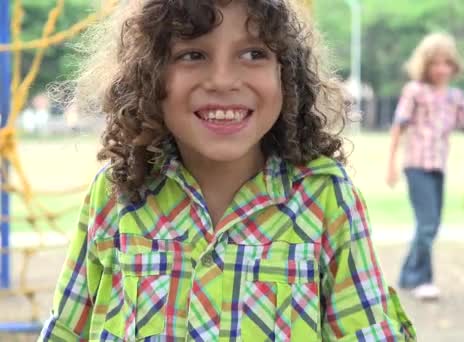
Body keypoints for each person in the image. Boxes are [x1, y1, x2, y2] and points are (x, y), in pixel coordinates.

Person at [39, 0, 416, 340]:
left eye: (253, 53)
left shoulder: (326, 198)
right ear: (148, 76)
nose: (222, 80)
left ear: (286, 75)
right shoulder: (115, 195)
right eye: (192, 55)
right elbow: (67, 330)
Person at [386, 32, 464, 301]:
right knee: (427, 224)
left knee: (431, 225)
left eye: (446, 63)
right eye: (435, 63)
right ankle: (423, 279)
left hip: (438, 166)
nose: (441, 69)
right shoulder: (415, 91)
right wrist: (391, 165)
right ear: (425, 65)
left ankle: (408, 275)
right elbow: (399, 127)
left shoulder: (455, 96)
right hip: (416, 164)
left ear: (453, 65)